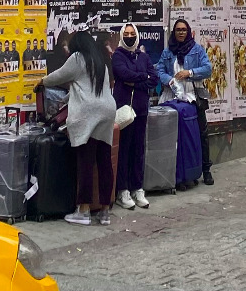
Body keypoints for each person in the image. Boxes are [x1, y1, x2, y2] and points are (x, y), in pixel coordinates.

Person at [39, 30, 117, 226]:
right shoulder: (100, 61)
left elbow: (60, 75)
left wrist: (42, 81)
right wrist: (67, 99)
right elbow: (85, 87)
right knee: (104, 161)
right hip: (107, 111)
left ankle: (83, 210)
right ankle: (105, 212)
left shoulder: (78, 58)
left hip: (88, 113)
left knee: (85, 162)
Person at [156, 17, 214, 186]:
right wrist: (170, 80)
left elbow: (208, 69)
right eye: (178, 30)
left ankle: (206, 170)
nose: (181, 32)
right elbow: (159, 70)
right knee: (175, 137)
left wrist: (189, 72)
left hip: (193, 98)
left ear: (188, 32)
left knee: (201, 134)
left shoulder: (197, 49)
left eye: (184, 30)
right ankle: (177, 174)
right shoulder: (168, 52)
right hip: (172, 98)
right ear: (174, 32)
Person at [113, 22, 158, 210]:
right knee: (124, 150)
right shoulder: (118, 55)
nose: (130, 36)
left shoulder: (143, 56)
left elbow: (154, 79)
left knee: (138, 150)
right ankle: (122, 190)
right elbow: (123, 74)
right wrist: (143, 77)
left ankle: (137, 188)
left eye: (133, 33)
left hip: (141, 109)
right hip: (124, 111)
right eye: (127, 33)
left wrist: (137, 80)